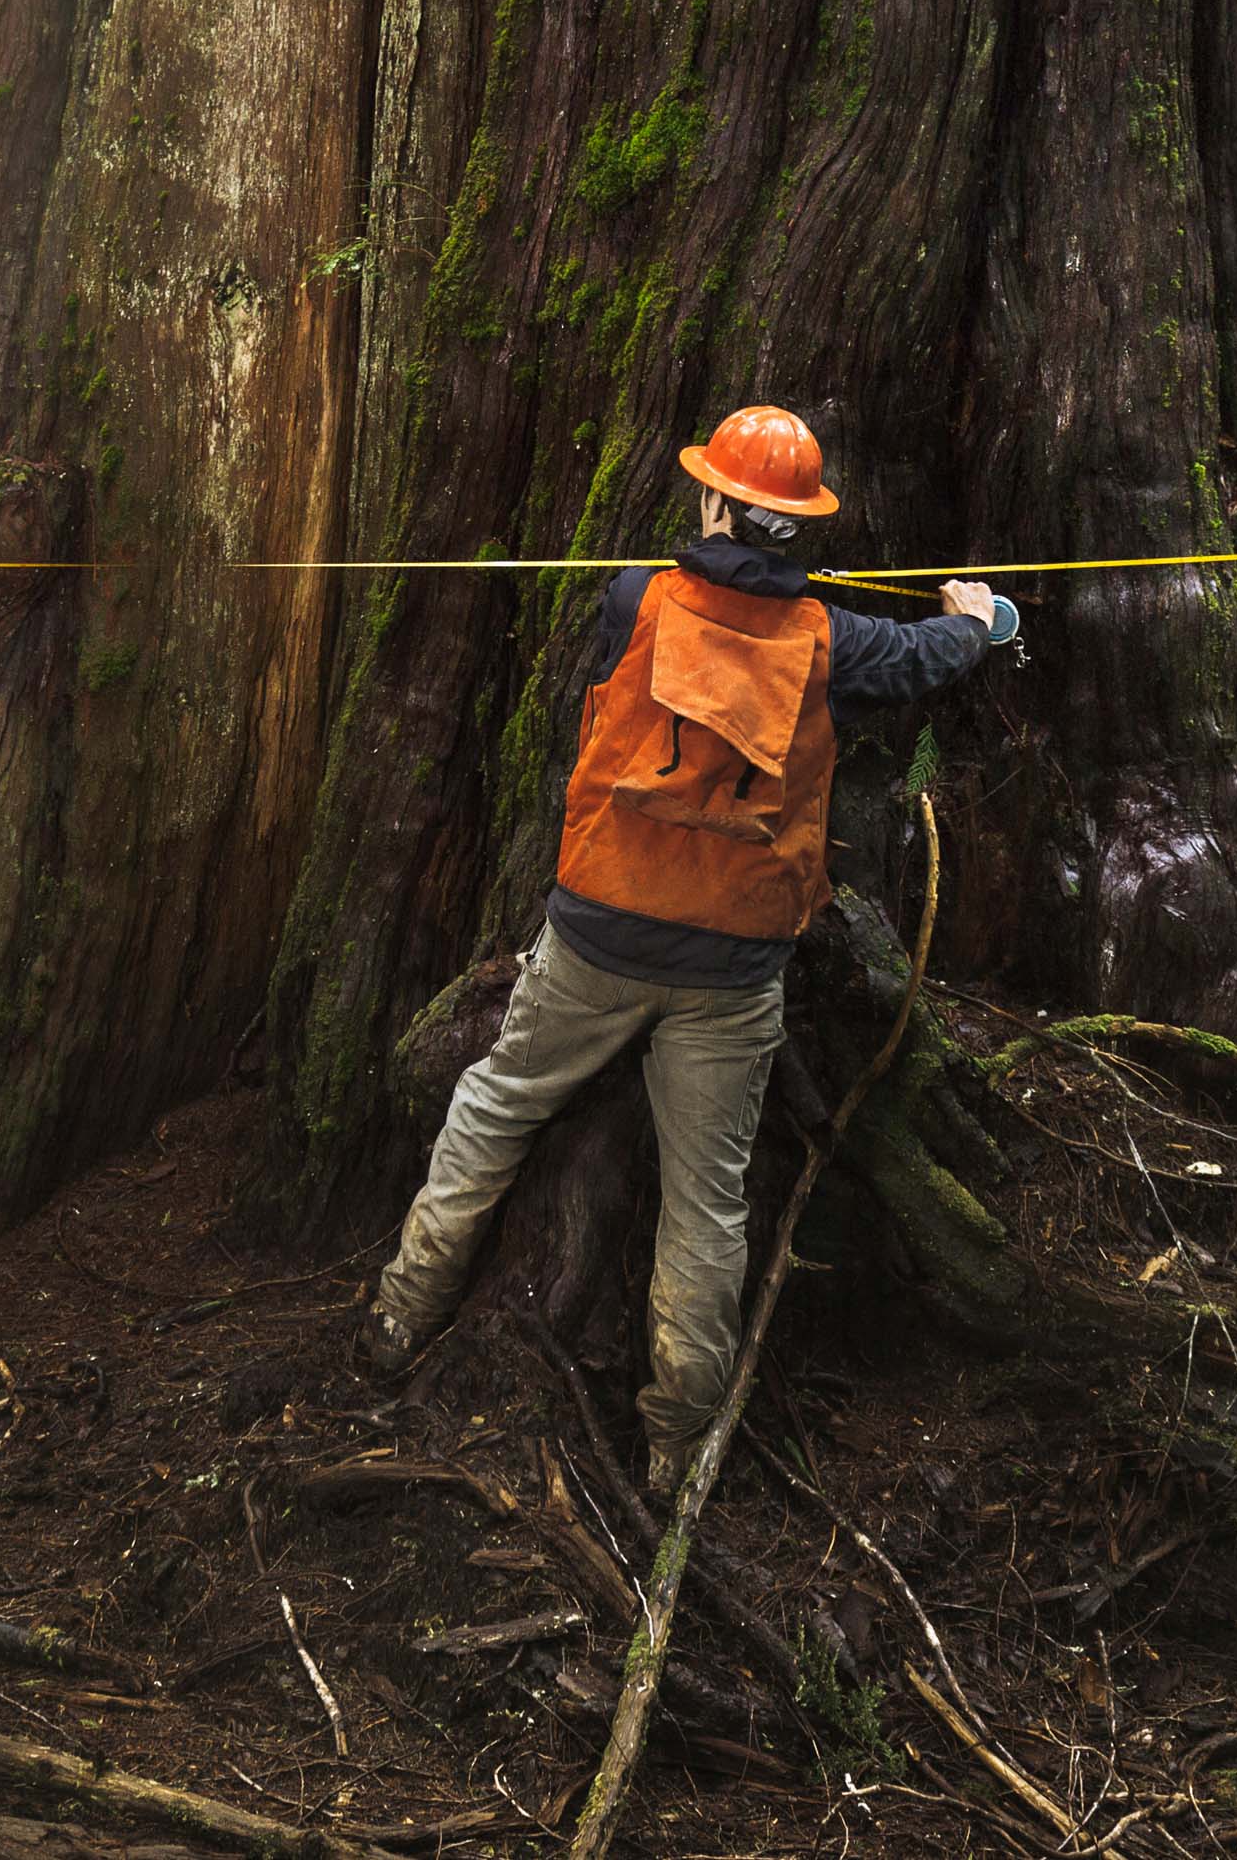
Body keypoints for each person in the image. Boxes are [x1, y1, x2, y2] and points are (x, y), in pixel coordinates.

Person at [359, 403, 1002, 1493]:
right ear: (800, 525)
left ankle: (397, 1316)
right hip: (735, 964)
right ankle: (673, 1448)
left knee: (498, 1102)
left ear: (713, 501)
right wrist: (981, 620)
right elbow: (924, 658)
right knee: (706, 1202)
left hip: (598, 936)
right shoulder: (835, 644)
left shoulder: (633, 599)